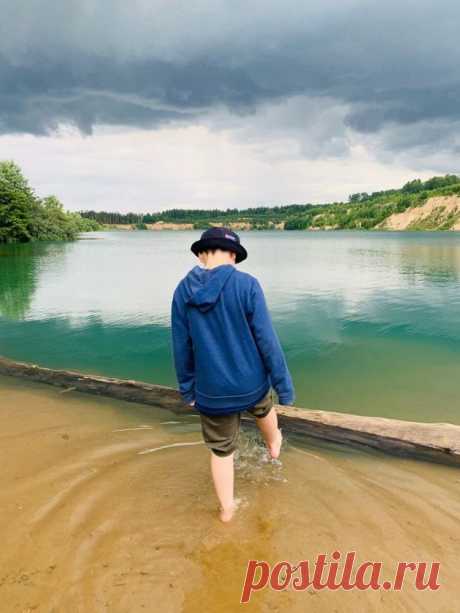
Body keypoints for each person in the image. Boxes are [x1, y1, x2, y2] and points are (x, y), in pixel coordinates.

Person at [171, 226, 295, 522]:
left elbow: (181, 345)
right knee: (264, 408)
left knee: (221, 450)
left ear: (202, 255)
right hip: (251, 381)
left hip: (212, 390)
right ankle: (274, 445)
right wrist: (284, 386)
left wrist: (187, 389)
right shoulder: (247, 285)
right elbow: (267, 340)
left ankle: (227, 509)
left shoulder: (182, 291)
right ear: (233, 255)